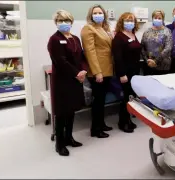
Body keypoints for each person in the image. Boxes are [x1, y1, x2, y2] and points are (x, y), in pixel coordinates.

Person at [47, 10, 86, 156]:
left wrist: (83, 72)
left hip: (76, 80)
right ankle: (59, 143)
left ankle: (69, 137)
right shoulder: (54, 39)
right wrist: (77, 73)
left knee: (71, 110)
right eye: (60, 21)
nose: (63, 23)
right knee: (61, 112)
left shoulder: (75, 38)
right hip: (62, 80)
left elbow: (81, 57)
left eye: (66, 20)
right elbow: (60, 61)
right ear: (56, 23)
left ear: (71, 21)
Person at [81, 4, 114, 138]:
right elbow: (90, 52)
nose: (98, 15)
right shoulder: (88, 29)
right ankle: (95, 129)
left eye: (100, 13)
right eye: (95, 13)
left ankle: (101, 124)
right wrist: (97, 72)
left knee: (102, 100)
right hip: (98, 71)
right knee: (98, 101)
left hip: (107, 69)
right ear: (91, 15)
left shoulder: (104, 29)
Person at [112, 12, 141, 133]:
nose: (130, 23)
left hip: (134, 71)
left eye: (132, 21)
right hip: (125, 73)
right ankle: (122, 122)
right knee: (125, 98)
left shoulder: (133, 34)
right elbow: (117, 58)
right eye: (127, 20)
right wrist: (122, 74)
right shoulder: (119, 37)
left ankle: (128, 120)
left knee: (131, 98)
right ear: (122, 22)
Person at [141, 10, 173, 75]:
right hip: (148, 65)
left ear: (163, 19)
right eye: (155, 18)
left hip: (163, 66)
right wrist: (147, 61)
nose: (157, 19)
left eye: (159, 18)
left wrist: (155, 61)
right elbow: (142, 47)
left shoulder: (167, 31)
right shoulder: (147, 31)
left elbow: (168, 48)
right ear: (152, 19)